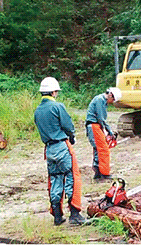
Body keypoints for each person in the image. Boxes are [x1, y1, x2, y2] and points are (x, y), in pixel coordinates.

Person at [34, 77, 86, 226]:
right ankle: (75, 214)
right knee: (72, 177)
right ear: (54, 91)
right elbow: (68, 126)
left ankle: (57, 216)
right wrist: (72, 137)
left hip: (49, 150)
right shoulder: (57, 107)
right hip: (62, 147)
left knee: (55, 179)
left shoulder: (38, 111)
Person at [85, 87, 122, 180]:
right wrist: (110, 132)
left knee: (98, 149)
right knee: (103, 149)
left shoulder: (102, 100)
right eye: (113, 99)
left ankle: (97, 173)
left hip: (95, 126)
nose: (112, 102)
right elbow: (101, 119)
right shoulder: (100, 100)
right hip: (94, 125)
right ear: (110, 95)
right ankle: (104, 173)